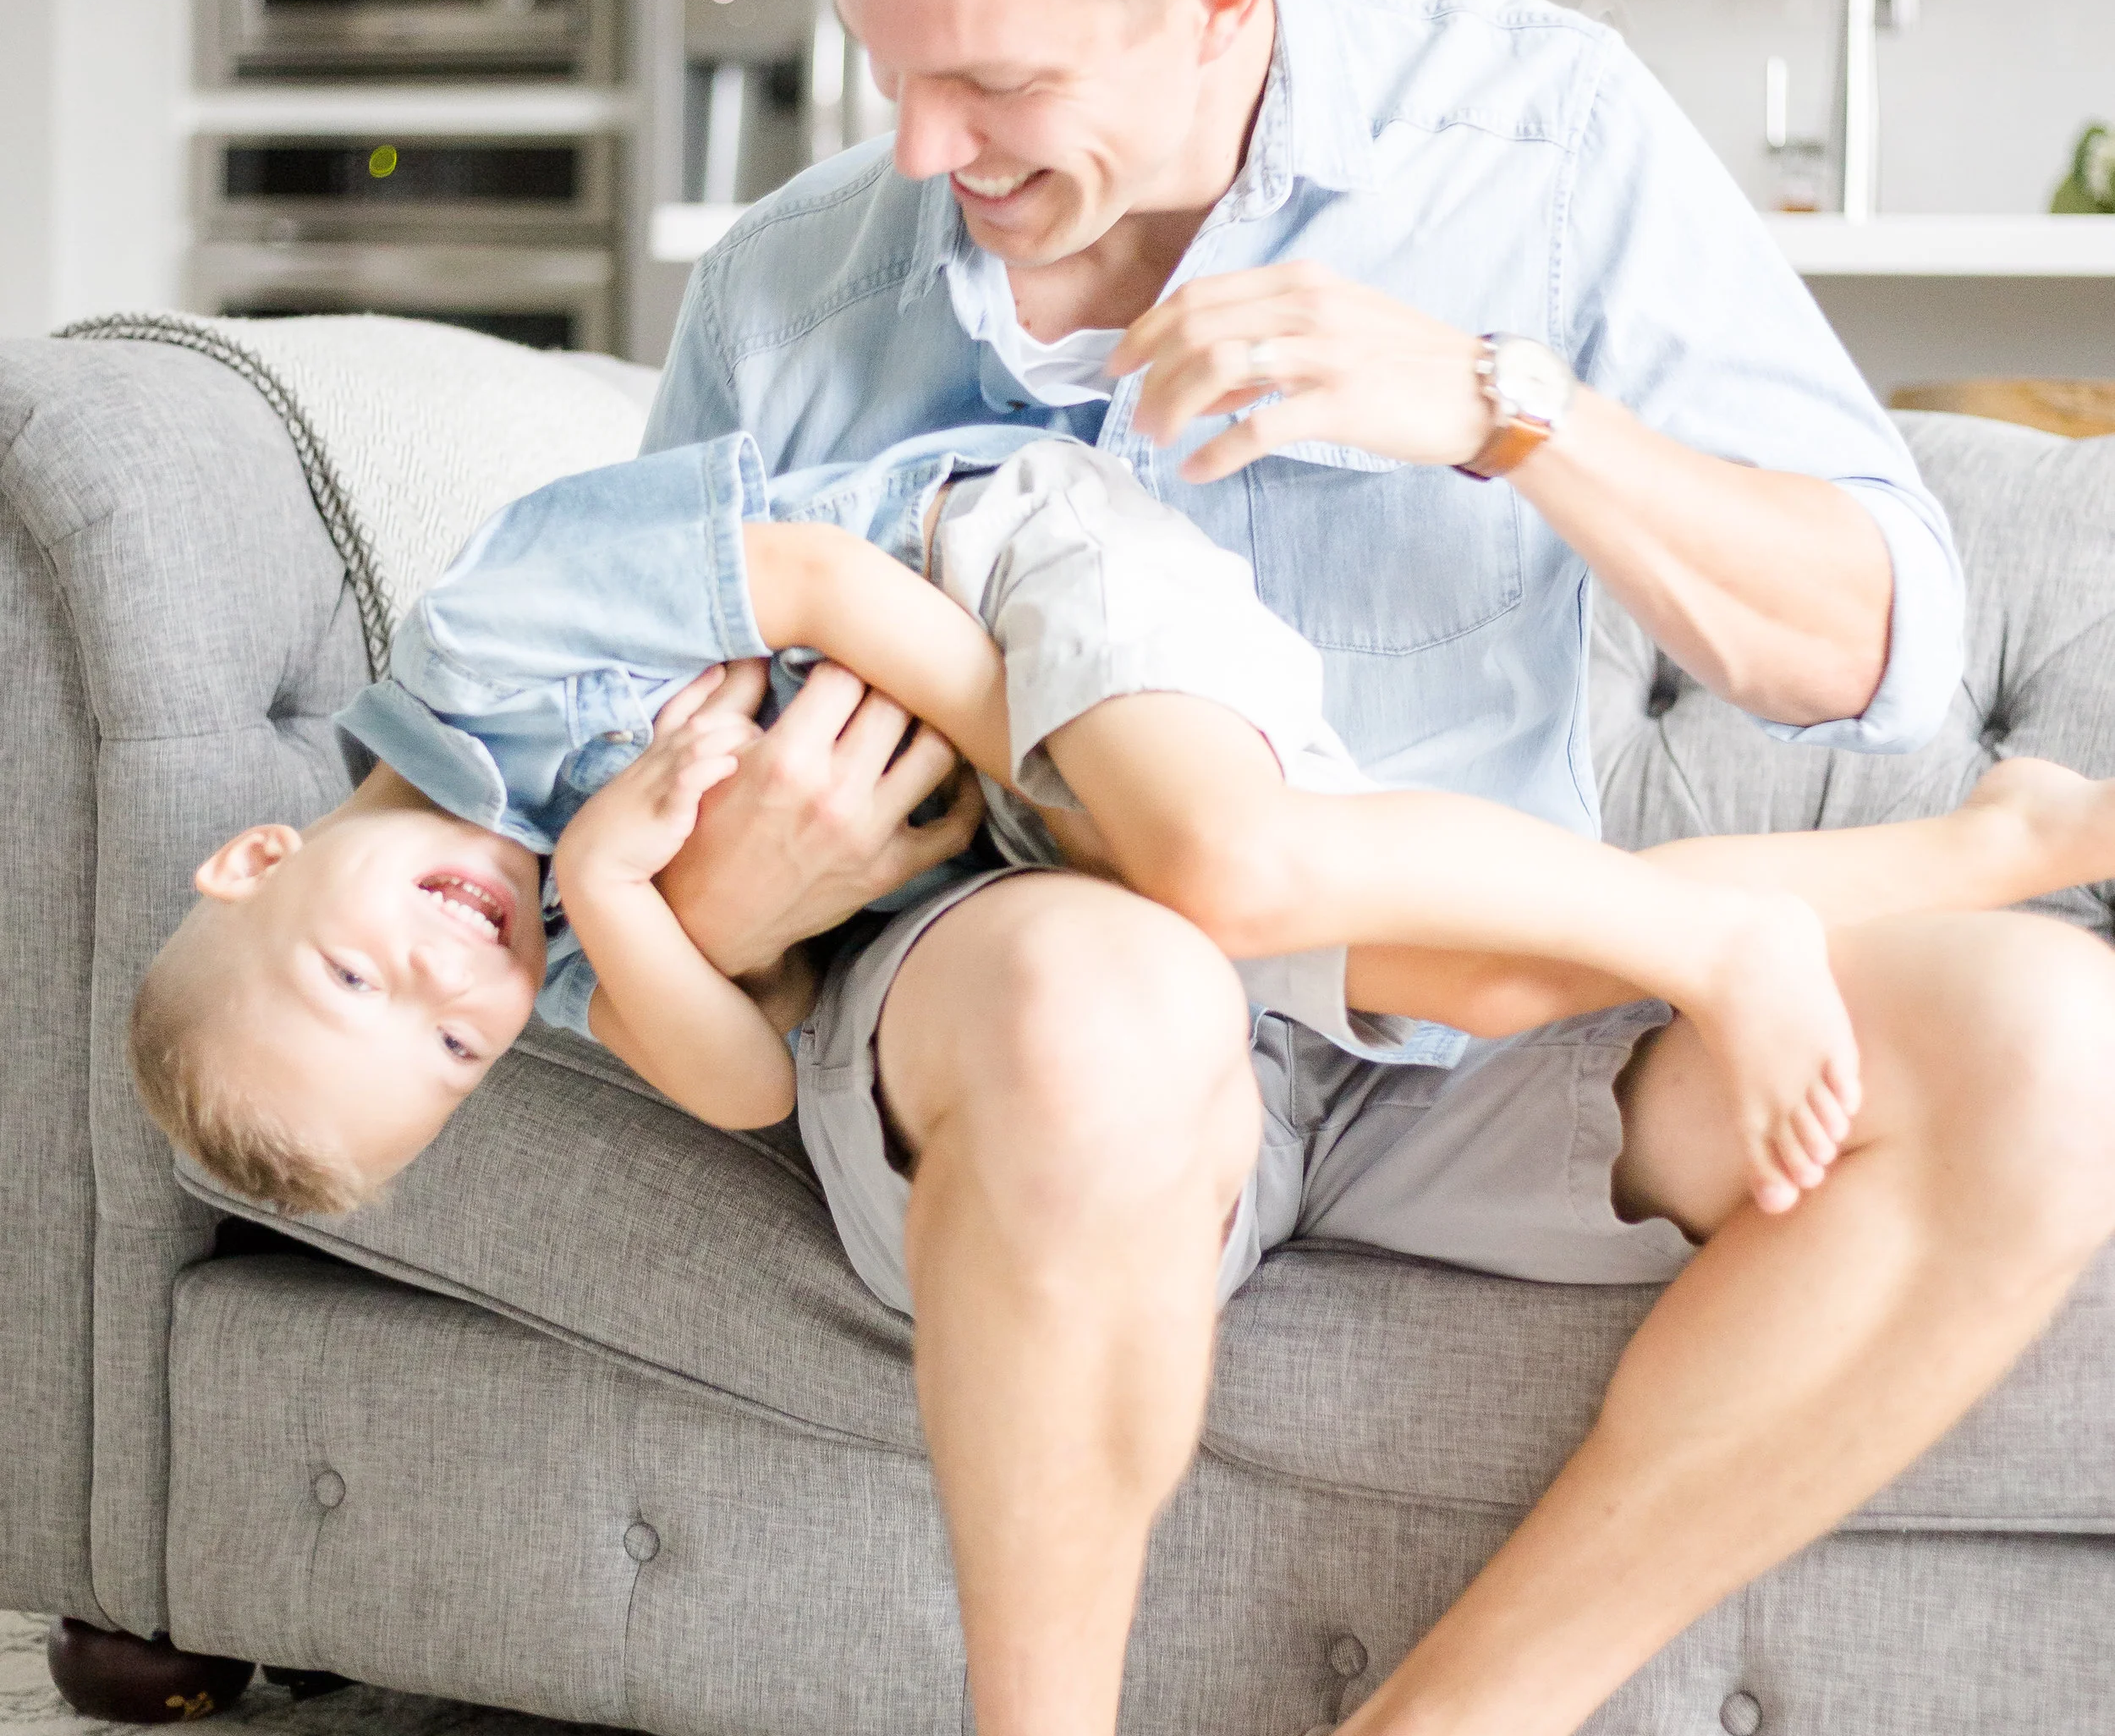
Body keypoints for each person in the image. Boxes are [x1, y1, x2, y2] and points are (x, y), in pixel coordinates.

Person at [624, 0, 2115, 1736]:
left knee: (2040, 1042)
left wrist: (1504, 409)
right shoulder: (795, 286)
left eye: (994, 84)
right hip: (1053, 1029)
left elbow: (1876, 652)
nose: (916, 145)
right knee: (1115, 967)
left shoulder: (1529, 127)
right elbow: (640, 793)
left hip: (1482, 1031)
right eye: (889, 62)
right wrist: (738, 897)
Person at [129, 421, 2115, 1235]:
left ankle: (1735, 935)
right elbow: (737, 1085)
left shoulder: (485, 643)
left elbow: (815, 578)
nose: (454, 973)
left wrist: (1062, 775)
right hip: (1027, 832)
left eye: (357, 966)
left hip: (996, 570)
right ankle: (1980, 852)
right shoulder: (562, 935)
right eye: (451, 1042)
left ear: (254, 855)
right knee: (1500, 964)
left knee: (1242, 862)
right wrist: (602, 893)